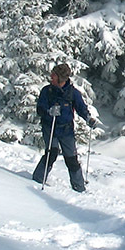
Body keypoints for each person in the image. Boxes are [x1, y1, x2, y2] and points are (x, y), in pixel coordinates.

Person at [32, 63, 97, 192]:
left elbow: (81, 108)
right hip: (50, 127)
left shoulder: (73, 93)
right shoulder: (47, 91)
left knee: (71, 159)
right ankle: (38, 179)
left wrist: (88, 119)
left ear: (61, 78)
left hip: (66, 130)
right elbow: (40, 108)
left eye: (54, 75)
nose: (51, 77)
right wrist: (49, 112)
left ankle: (79, 188)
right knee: (51, 153)